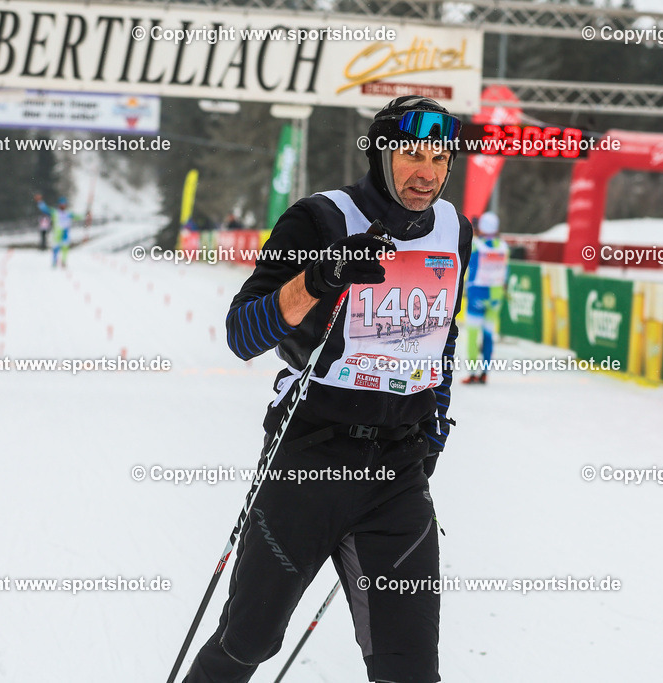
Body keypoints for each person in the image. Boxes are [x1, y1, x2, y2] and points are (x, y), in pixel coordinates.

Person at [184, 96, 473, 683]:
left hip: (397, 472)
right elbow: (242, 335)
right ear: (381, 155)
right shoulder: (319, 219)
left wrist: (435, 425)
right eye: (413, 155)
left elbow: (441, 335)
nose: (428, 173)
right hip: (308, 461)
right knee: (247, 641)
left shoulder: (454, 230)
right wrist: (320, 277)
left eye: (440, 158)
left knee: (411, 668)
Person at [462, 211, 509, 384]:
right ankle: (485, 372)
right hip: (496, 296)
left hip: (477, 294)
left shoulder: (476, 245)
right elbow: (506, 271)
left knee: (473, 335)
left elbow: (468, 265)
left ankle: (472, 373)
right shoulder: (503, 246)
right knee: (488, 335)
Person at [35, 194, 74, 268]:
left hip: (65, 234)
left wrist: (87, 215)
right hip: (57, 234)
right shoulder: (55, 212)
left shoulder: (69, 213)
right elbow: (45, 209)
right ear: (59, 204)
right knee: (55, 249)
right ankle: (54, 262)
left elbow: (79, 216)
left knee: (65, 249)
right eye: (61, 204)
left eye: (64, 204)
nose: (62, 206)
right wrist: (40, 201)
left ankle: (64, 262)